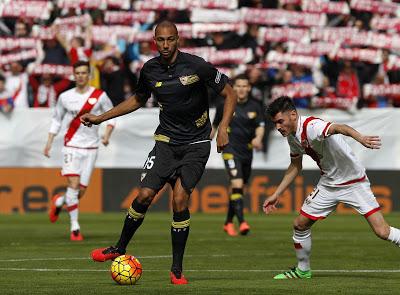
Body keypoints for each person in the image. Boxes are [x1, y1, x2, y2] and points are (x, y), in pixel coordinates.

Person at [80, 21, 236, 285]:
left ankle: (176, 270)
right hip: (165, 142)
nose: (165, 45)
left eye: (170, 40)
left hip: (196, 144)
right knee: (144, 195)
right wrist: (101, 118)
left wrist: (223, 128)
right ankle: (119, 248)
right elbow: (138, 100)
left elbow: (229, 93)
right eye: (161, 40)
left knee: (179, 200)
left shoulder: (197, 66)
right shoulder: (150, 69)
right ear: (155, 41)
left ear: (178, 40)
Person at [263, 96, 400, 279]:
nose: (278, 127)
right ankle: (303, 270)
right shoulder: (292, 137)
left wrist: (360, 138)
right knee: (300, 224)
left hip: (354, 182)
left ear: (293, 115)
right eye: (275, 123)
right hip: (329, 183)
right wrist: (276, 193)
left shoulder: (312, 126)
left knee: (382, 231)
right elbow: (296, 165)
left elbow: (339, 128)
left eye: (280, 121)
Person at [44, 60, 115, 241]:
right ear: (74, 75)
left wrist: (106, 135)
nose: (81, 76)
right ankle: (75, 228)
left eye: (84, 73)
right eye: (78, 73)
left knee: (79, 192)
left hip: (91, 148)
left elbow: (111, 116)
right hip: (71, 145)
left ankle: (59, 201)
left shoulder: (100, 95)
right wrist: (49, 142)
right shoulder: (65, 97)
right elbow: (57, 120)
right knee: (74, 186)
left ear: (89, 75)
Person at [211, 74, 265, 236]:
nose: (241, 89)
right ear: (233, 88)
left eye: (244, 86)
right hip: (229, 149)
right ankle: (242, 223)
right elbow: (214, 128)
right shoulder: (224, 105)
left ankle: (228, 223)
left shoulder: (255, 107)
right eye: (238, 86)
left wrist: (258, 138)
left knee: (239, 190)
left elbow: (260, 126)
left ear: (249, 88)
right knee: (237, 183)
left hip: (247, 152)